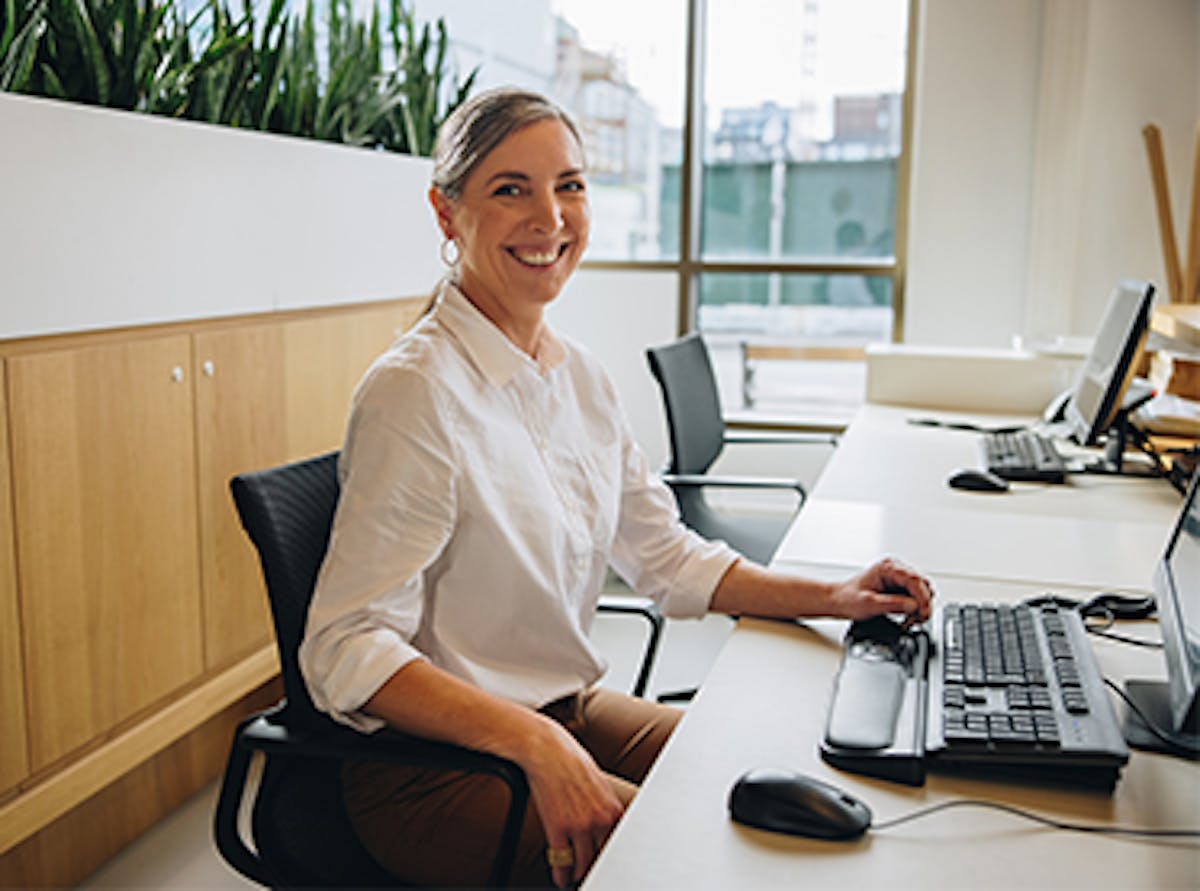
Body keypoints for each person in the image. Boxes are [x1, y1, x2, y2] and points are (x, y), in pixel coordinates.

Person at [299, 86, 934, 889]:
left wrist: (834, 595)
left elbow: (666, 556)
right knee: (708, 854)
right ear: (445, 214)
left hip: (564, 714)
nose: (551, 218)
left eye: (569, 185)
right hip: (430, 769)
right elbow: (343, 647)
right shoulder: (415, 392)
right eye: (510, 189)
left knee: (774, 766)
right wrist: (535, 745)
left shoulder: (580, 379)